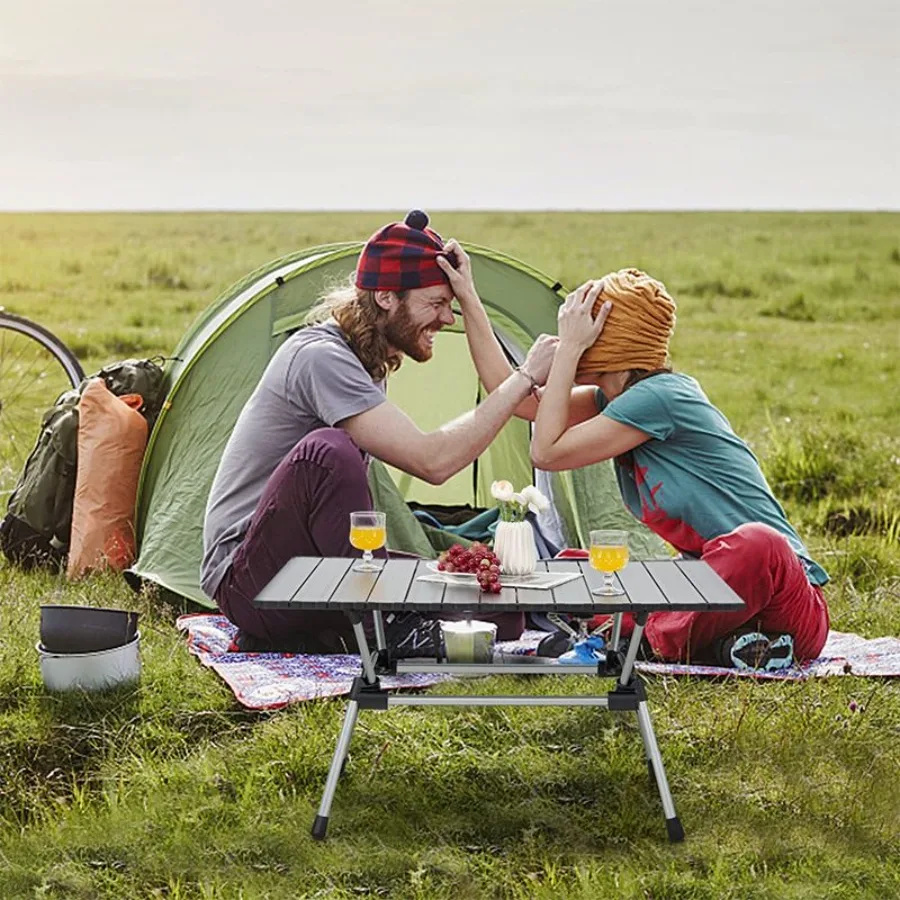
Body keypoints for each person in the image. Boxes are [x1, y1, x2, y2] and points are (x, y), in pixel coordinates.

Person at [439, 256, 829, 666]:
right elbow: (512, 397)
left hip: (782, 598)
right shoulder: (615, 400)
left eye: (587, 327)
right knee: (572, 566)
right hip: (702, 589)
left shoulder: (660, 397)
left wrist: (569, 349)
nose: (573, 333)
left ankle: (632, 639)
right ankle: (724, 646)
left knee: (759, 544)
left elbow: (546, 452)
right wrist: (468, 295)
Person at [201, 211, 556, 654]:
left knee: (499, 610)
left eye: (452, 305)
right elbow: (432, 461)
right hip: (253, 580)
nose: (448, 319)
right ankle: (379, 625)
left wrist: (468, 293)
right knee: (327, 452)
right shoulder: (319, 357)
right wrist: (523, 377)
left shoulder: (365, 362)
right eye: (436, 303)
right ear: (386, 297)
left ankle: (332, 628)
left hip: (311, 573)